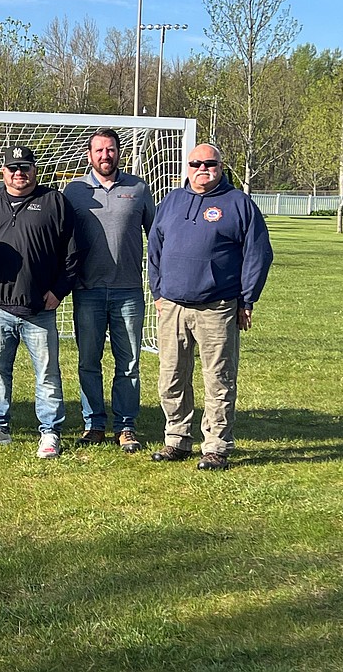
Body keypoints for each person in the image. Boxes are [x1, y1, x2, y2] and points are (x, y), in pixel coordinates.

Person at [147, 143, 273, 470]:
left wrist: (247, 300)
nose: (203, 168)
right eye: (196, 163)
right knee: (171, 377)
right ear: (187, 167)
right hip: (172, 306)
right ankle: (177, 438)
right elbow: (155, 250)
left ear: (220, 166)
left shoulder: (238, 204)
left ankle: (216, 445)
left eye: (210, 163)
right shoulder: (172, 202)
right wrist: (158, 292)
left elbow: (258, 255)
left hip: (217, 307)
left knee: (218, 378)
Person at [0, 145, 77, 458]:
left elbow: (72, 253)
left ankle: (50, 432)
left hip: (39, 309)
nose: (19, 174)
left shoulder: (55, 201)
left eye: (25, 168)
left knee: (47, 374)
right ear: (3, 171)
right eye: (13, 168)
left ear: (34, 170)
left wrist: (59, 291)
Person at [64, 128, 155, 453]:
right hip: (86, 291)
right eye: (99, 150)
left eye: (111, 149)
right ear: (89, 156)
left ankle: (126, 425)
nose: (105, 155)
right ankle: (94, 424)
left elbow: (157, 238)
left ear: (119, 153)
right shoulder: (74, 191)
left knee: (128, 363)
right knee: (89, 361)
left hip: (128, 291)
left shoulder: (139, 189)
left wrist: (160, 285)